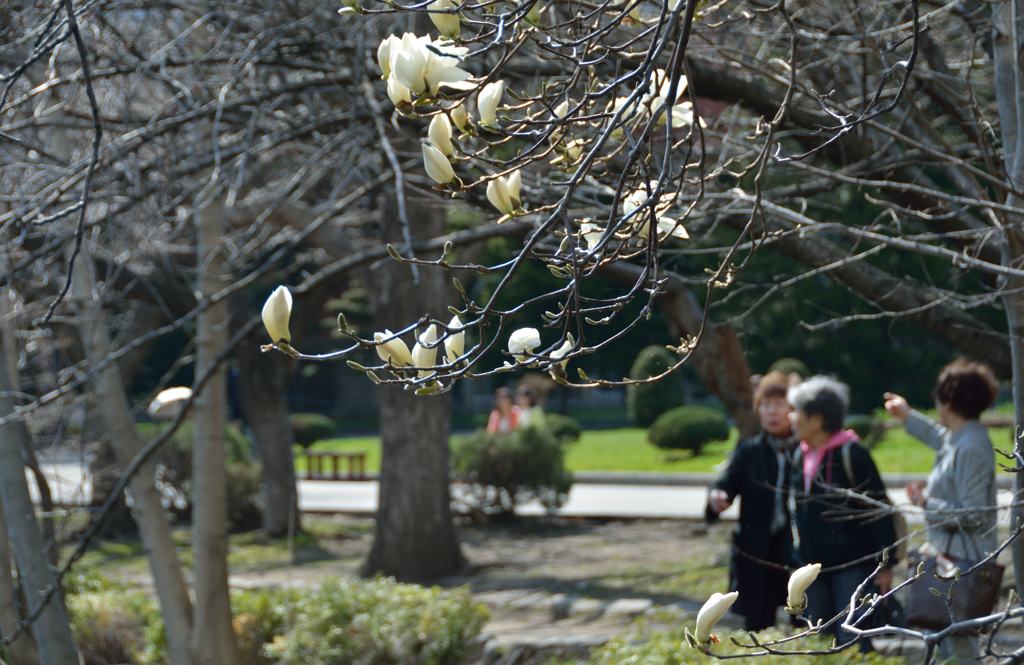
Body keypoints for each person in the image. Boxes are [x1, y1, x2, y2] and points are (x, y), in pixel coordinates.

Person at [884, 358, 999, 663]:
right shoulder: (964, 437)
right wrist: (907, 416)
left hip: (964, 567)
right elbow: (941, 438)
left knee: (959, 653)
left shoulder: (971, 445)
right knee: (947, 648)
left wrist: (925, 502)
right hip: (953, 564)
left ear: (948, 399)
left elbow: (975, 513)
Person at [787, 376, 898, 648]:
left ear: (816, 420)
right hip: (811, 568)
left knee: (851, 638)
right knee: (817, 639)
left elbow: (878, 512)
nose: (791, 417)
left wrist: (887, 565)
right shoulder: (798, 455)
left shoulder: (853, 454)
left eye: (797, 411)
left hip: (851, 567)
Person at [705, 371, 798, 632]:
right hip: (759, 551)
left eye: (780, 404)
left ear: (794, 409)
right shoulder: (750, 449)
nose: (772, 411)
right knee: (757, 624)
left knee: (803, 619)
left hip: (797, 550)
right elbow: (727, 482)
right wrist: (717, 496)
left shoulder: (806, 450)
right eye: (765, 405)